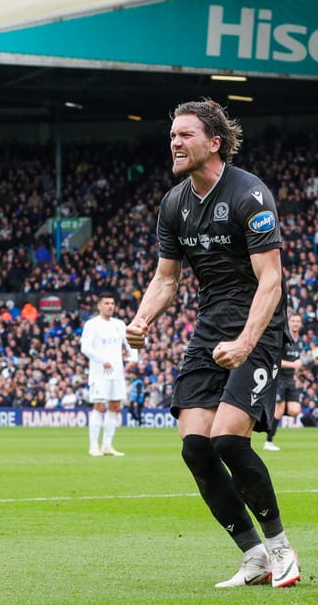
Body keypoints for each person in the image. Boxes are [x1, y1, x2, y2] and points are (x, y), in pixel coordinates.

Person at [125, 98, 300, 589]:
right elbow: (166, 280)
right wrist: (141, 321)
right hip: (209, 329)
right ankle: (254, 556)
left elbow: (272, 281)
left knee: (227, 438)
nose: (175, 142)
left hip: (257, 328)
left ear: (214, 142)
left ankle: (283, 550)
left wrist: (247, 341)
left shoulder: (250, 194)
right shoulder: (174, 203)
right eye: (173, 135)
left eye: (185, 135)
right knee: (197, 448)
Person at [80, 292, 136, 456]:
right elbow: (85, 348)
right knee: (99, 406)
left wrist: (134, 358)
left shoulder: (119, 324)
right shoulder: (92, 324)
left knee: (115, 407)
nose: (110, 306)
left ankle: (107, 445)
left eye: (112, 303)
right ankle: (93, 447)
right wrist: (101, 359)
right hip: (99, 373)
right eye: (106, 303)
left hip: (117, 373)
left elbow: (130, 342)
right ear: (99, 305)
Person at [263, 312, 305, 451]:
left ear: (301, 324)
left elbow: (296, 362)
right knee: (279, 410)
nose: (295, 323)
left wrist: (296, 373)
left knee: (295, 410)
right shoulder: (283, 339)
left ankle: (268, 412)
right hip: (279, 378)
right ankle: (268, 442)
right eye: (293, 321)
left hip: (290, 379)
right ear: (289, 322)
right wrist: (293, 365)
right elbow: (275, 361)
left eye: (298, 321)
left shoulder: (299, 341)